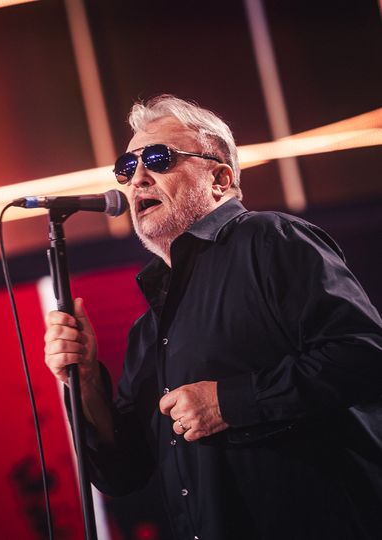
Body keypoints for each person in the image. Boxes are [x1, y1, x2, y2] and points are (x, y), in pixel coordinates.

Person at [44, 95, 382, 540]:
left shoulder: (270, 239)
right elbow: (123, 471)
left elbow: (364, 356)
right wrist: (85, 378)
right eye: (126, 168)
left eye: (159, 159)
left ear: (220, 180)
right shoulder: (149, 328)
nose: (138, 178)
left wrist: (229, 403)